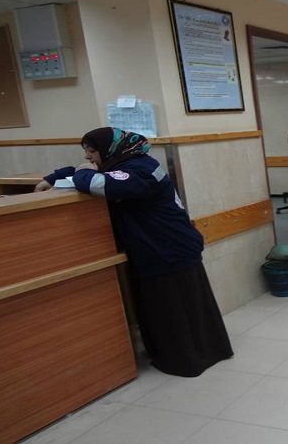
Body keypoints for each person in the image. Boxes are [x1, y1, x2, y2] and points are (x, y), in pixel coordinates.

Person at [35, 127, 233, 377]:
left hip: (168, 248)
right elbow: (87, 171)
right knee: (175, 305)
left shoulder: (140, 169)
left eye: (92, 151)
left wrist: (83, 172)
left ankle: (188, 360)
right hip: (162, 248)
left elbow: (101, 183)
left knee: (176, 307)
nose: (88, 156)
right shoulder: (125, 163)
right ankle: (198, 352)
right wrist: (54, 177)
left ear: (109, 149)